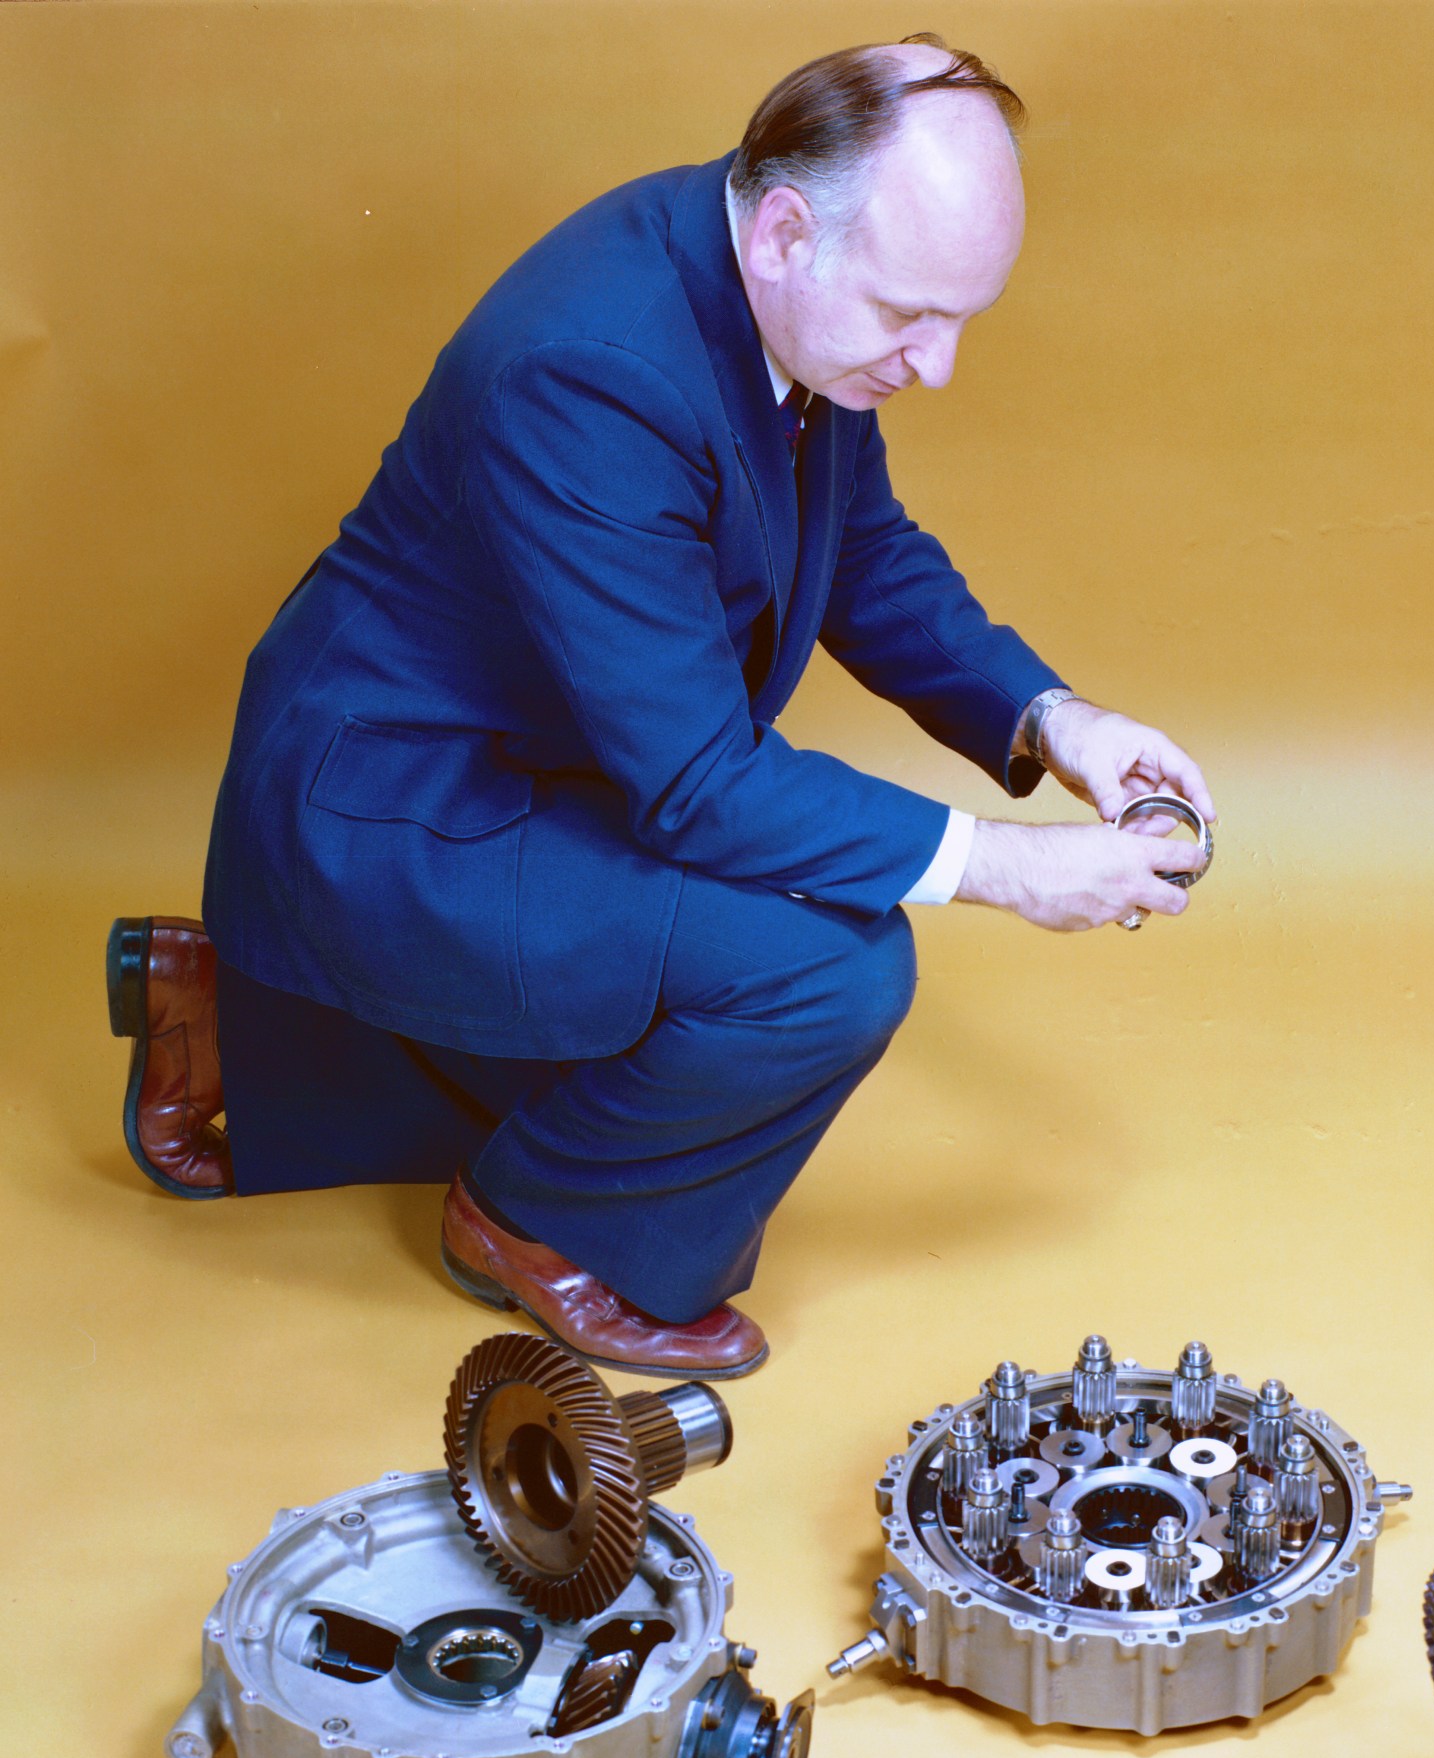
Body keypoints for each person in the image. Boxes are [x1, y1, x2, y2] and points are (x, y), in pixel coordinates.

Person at [108, 36, 1214, 1378]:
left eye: (965, 318)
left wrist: (1054, 722)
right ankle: (536, 1227)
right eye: (911, 315)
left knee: (710, 969)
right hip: (392, 806)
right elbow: (698, 785)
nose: (939, 369)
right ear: (791, 229)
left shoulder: (758, 272)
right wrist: (1010, 866)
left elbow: (859, 550)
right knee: (828, 967)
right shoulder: (597, 366)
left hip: (545, 757)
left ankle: (222, 1010)